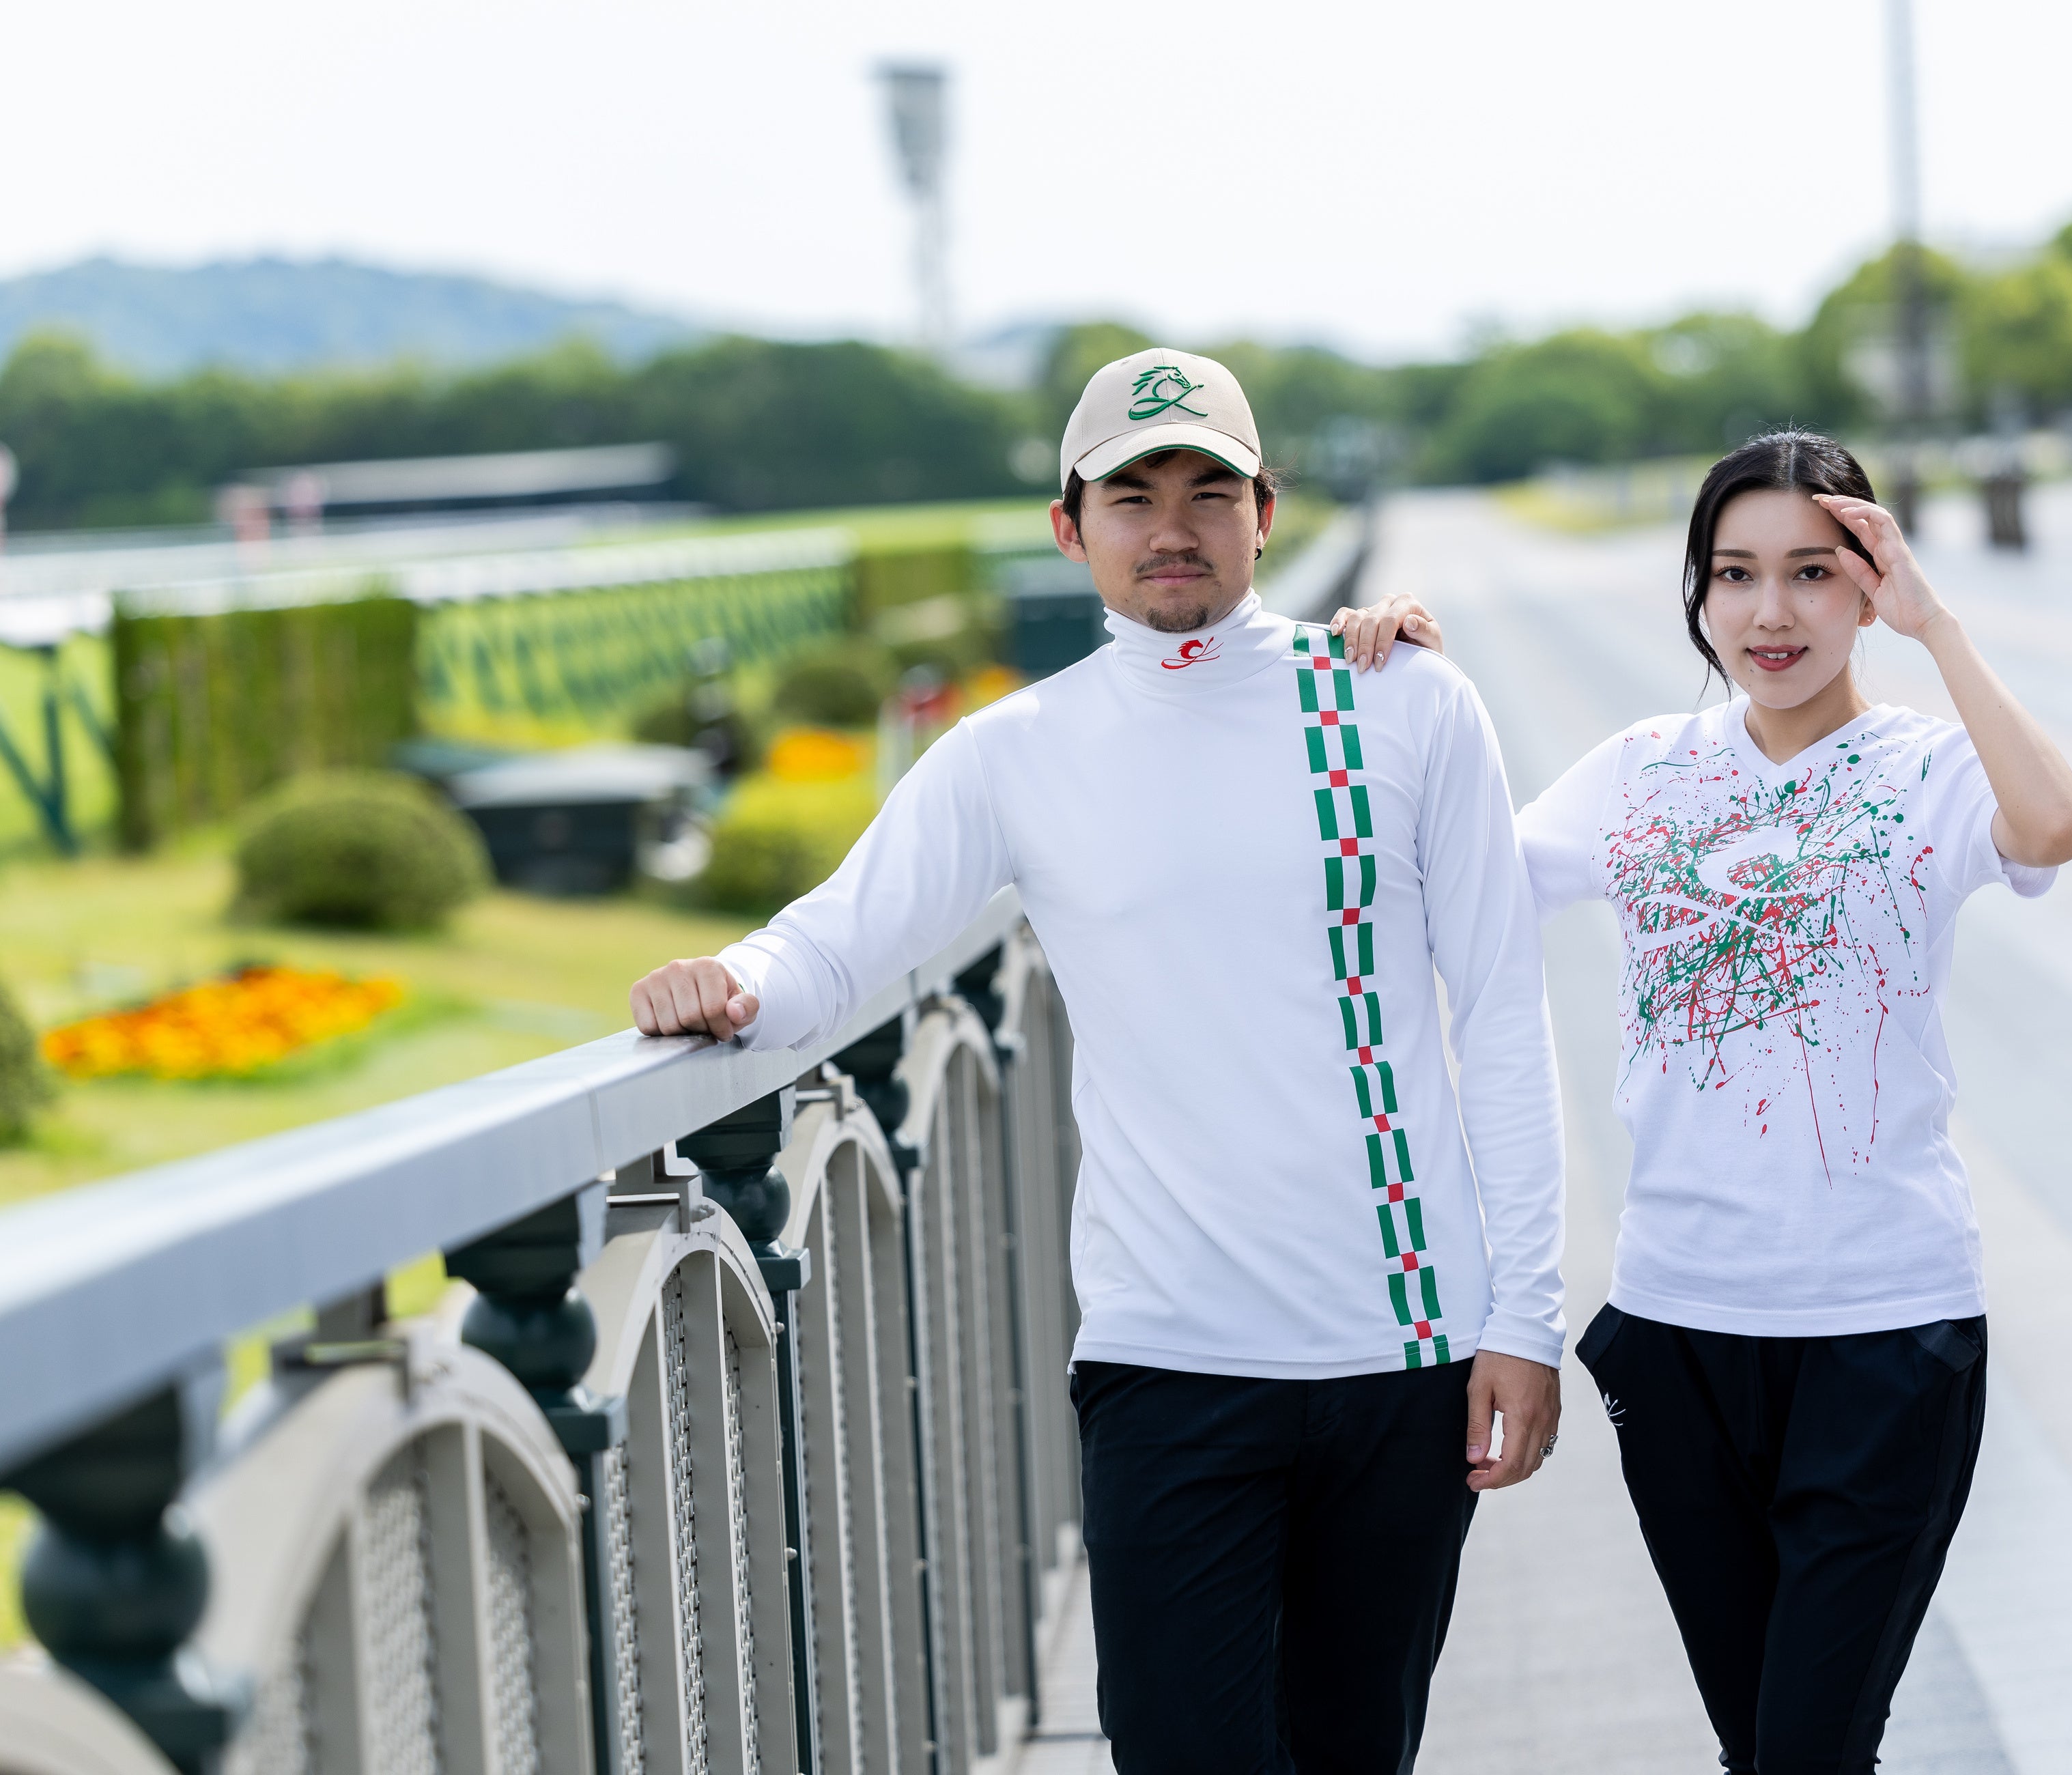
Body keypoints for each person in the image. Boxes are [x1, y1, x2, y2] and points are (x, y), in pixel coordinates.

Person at [630, 347, 1566, 1772]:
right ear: (1071, 529)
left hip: (1403, 1352)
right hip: (1166, 1357)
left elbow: (1501, 1010)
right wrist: (735, 983)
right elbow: (837, 939)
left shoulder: (1405, 703)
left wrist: (1527, 1319)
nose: (1172, 528)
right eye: (1132, 498)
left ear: (1265, 513)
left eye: (1208, 492)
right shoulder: (1016, 751)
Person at [1337, 431, 2072, 1773]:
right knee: (1765, 1749)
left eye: (1813, 571)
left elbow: (2053, 828)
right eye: (1734, 574)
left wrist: (1938, 627)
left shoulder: (1926, 769)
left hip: (1887, 1332)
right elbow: (1448, 888)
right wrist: (1410, 699)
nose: (1770, 611)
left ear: (1868, 585)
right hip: (1680, 1332)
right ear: (1697, 593)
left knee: (1806, 1748)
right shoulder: (1642, 770)